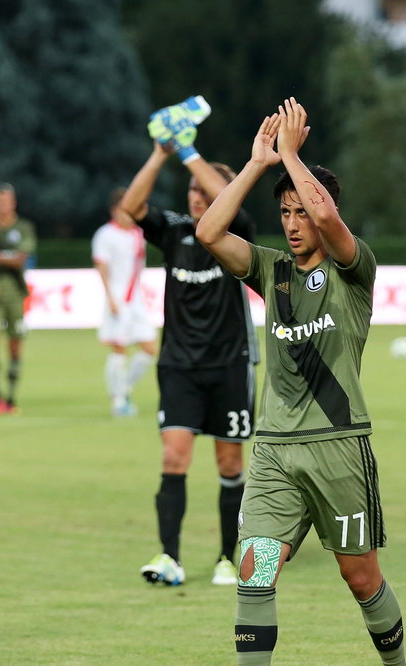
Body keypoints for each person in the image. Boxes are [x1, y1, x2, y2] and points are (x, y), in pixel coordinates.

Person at [195, 99, 406, 666]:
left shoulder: (353, 269)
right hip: (275, 451)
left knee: (360, 577)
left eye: (301, 211)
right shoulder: (270, 269)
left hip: (339, 447)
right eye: (284, 213)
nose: (292, 223)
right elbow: (209, 230)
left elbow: (333, 225)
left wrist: (291, 154)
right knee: (254, 568)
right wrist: (258, 165)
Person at [119, 105, 258, 588]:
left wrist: (189, 151)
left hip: (228, 365)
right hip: (179, 365)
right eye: (192, 190)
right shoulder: (175, 231)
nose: (196, 196)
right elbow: (131, 208)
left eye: (204, 189)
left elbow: (232, 204)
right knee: (173, 458)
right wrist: (161, 154)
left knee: (229, 463)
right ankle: (169, 557)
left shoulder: (237, 234)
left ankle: (226, 557)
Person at [91, 187, 157, 417]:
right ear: (115, 210)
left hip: (136, 299)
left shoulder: (139, 233)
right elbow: (102, 267)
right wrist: (110, 297)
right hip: (118, 298)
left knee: (149, 349)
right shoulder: (105, 234)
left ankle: (125, 387)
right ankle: (117, 400)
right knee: (119, 349)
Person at [0, 182, 37, 415]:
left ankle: (11, 397)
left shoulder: (23, 227)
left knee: (15, 344)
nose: (3, 206)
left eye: (7, 201)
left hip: (16, 293)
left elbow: (21, 258)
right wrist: (3, 258)